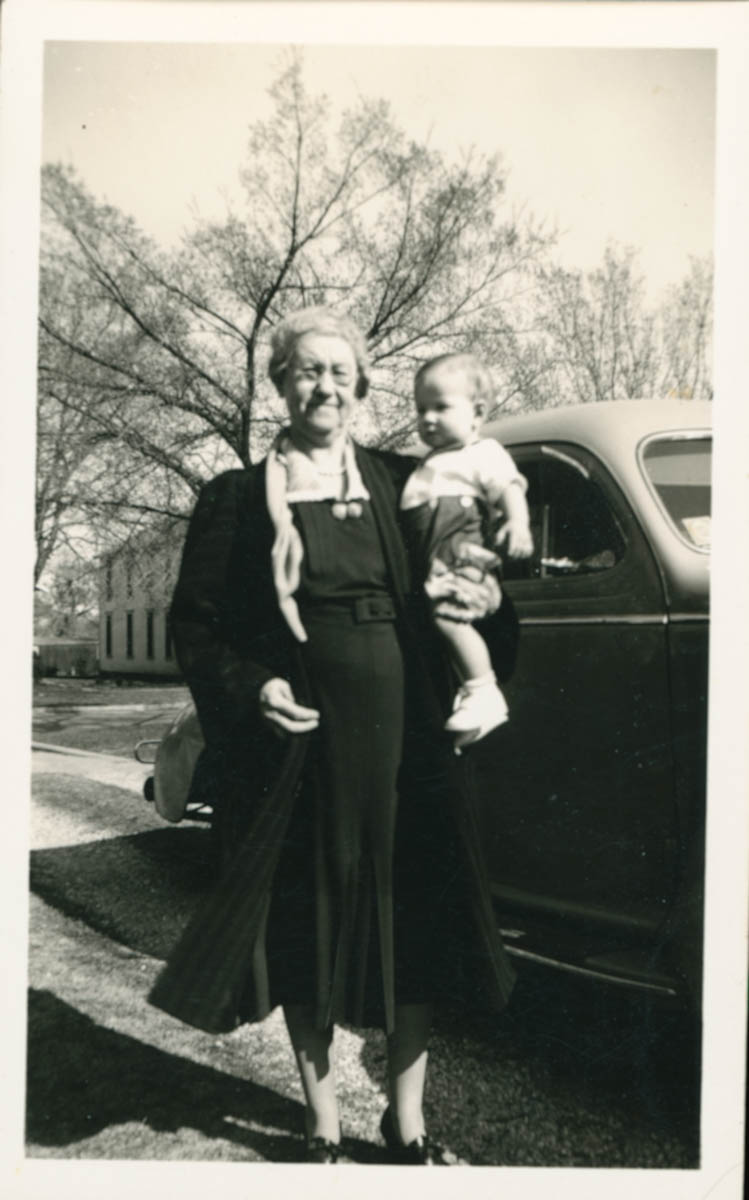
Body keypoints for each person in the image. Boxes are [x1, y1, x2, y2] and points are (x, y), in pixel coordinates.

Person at [148, 308, 519, 1165]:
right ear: (279, 383)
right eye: (307, 370)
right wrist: (256, 686)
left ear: (360, 386)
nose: (325, 386)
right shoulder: (237, 499)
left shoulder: (406, 481)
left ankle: (406, 1121)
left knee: (415, 918)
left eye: (340, 372)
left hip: (408, 741)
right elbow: (198, 626)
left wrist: (487, 602)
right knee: (308, 923)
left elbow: (470, 573)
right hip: (302, 748)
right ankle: (320, 1119)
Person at [400, 353, 533, 744]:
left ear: (477, 413)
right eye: (421, 409)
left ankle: (483, 689)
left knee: (449, 618)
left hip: (465, 556)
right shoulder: (426, 465)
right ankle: (469, 696)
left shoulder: (482, 452)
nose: (427, 418)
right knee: (437, 625)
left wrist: (518, 522)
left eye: (441, 407)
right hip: (436, 564)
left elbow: (509, 485)